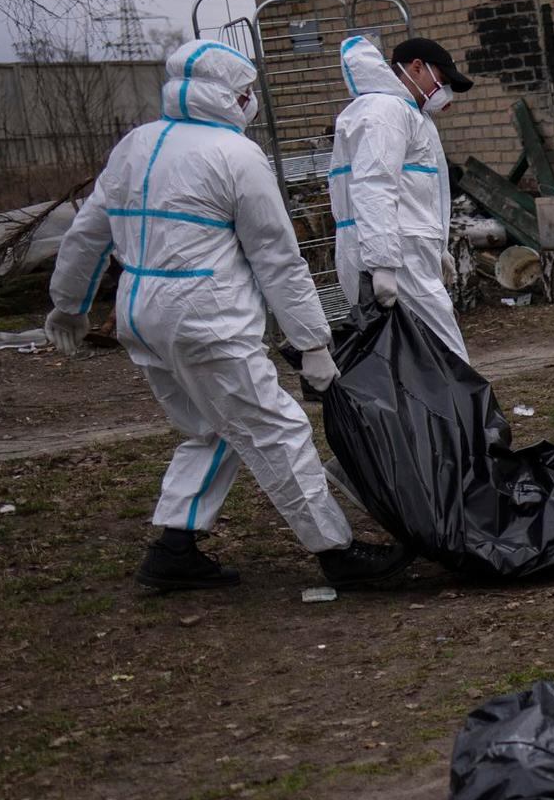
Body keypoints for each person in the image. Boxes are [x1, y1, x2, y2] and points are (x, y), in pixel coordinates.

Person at [44, 38, 412, 594]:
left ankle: (175, 548)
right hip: (206, 319)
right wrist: (313, 342)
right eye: (247, 93)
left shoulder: (135, 145)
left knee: (208, 428)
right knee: (276, 428)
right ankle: (336, 551)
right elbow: (277, 258)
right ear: (233, 95)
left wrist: (68, 304)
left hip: (141, 317)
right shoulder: (236, 156)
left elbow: (88, 233)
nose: (250, 102)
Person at [331, 34, 473, 358]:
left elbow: (416, 191)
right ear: (417, 68)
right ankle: (461, 410)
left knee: (410, 355)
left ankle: (441, 409)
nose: (445, 89)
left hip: (403, 249)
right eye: (442, 79)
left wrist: (438, 246)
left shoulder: (406, 113)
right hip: (396, 254)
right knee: (442, 351)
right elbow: (375, 184)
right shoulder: (387, 111)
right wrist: (383, 262)